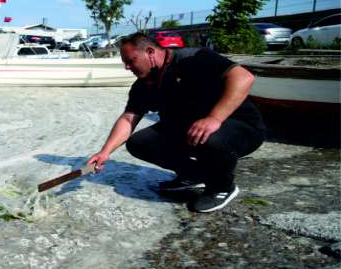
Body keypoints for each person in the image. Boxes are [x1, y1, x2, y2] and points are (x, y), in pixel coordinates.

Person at [87, 32, 266, 212]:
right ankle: (194, 176)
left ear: (150, 52)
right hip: (192, 131)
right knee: (139, 143)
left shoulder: (194, 58)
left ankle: (221, 187)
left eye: (131, 61)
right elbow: (128, 119)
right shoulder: (144, 84)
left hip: (242, 127)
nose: (127, 67)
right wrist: (105, 152)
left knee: (209, 138)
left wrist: (214, 118)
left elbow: (244, 77)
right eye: (125, 63)